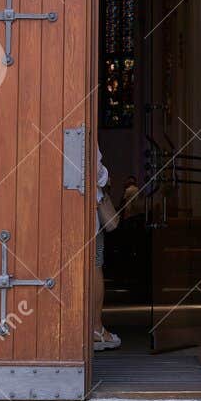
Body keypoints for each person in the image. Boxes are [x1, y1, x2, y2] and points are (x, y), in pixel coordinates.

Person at [93, 144, 121, 353]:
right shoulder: (82, 125)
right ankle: (95, 329)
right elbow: (96, 171)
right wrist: (106, 177)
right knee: (95, 267)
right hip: (87, 216)